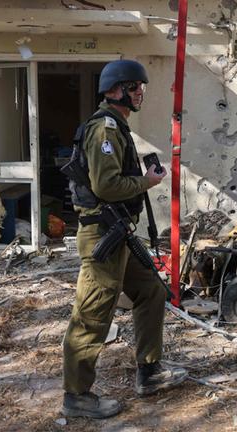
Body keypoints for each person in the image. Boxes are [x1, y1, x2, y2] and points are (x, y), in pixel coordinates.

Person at [61, 59, 187, 419]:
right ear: (115, 90)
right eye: (134, 87)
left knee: (152, 291)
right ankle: (77, 396)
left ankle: (149, 372)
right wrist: (147, 181)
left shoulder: (116, 127)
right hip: (103, 236)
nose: (140, 93)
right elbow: (107, 186)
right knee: (92, 315)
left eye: (140, 87)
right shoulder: (104, 129)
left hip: (117, 234)